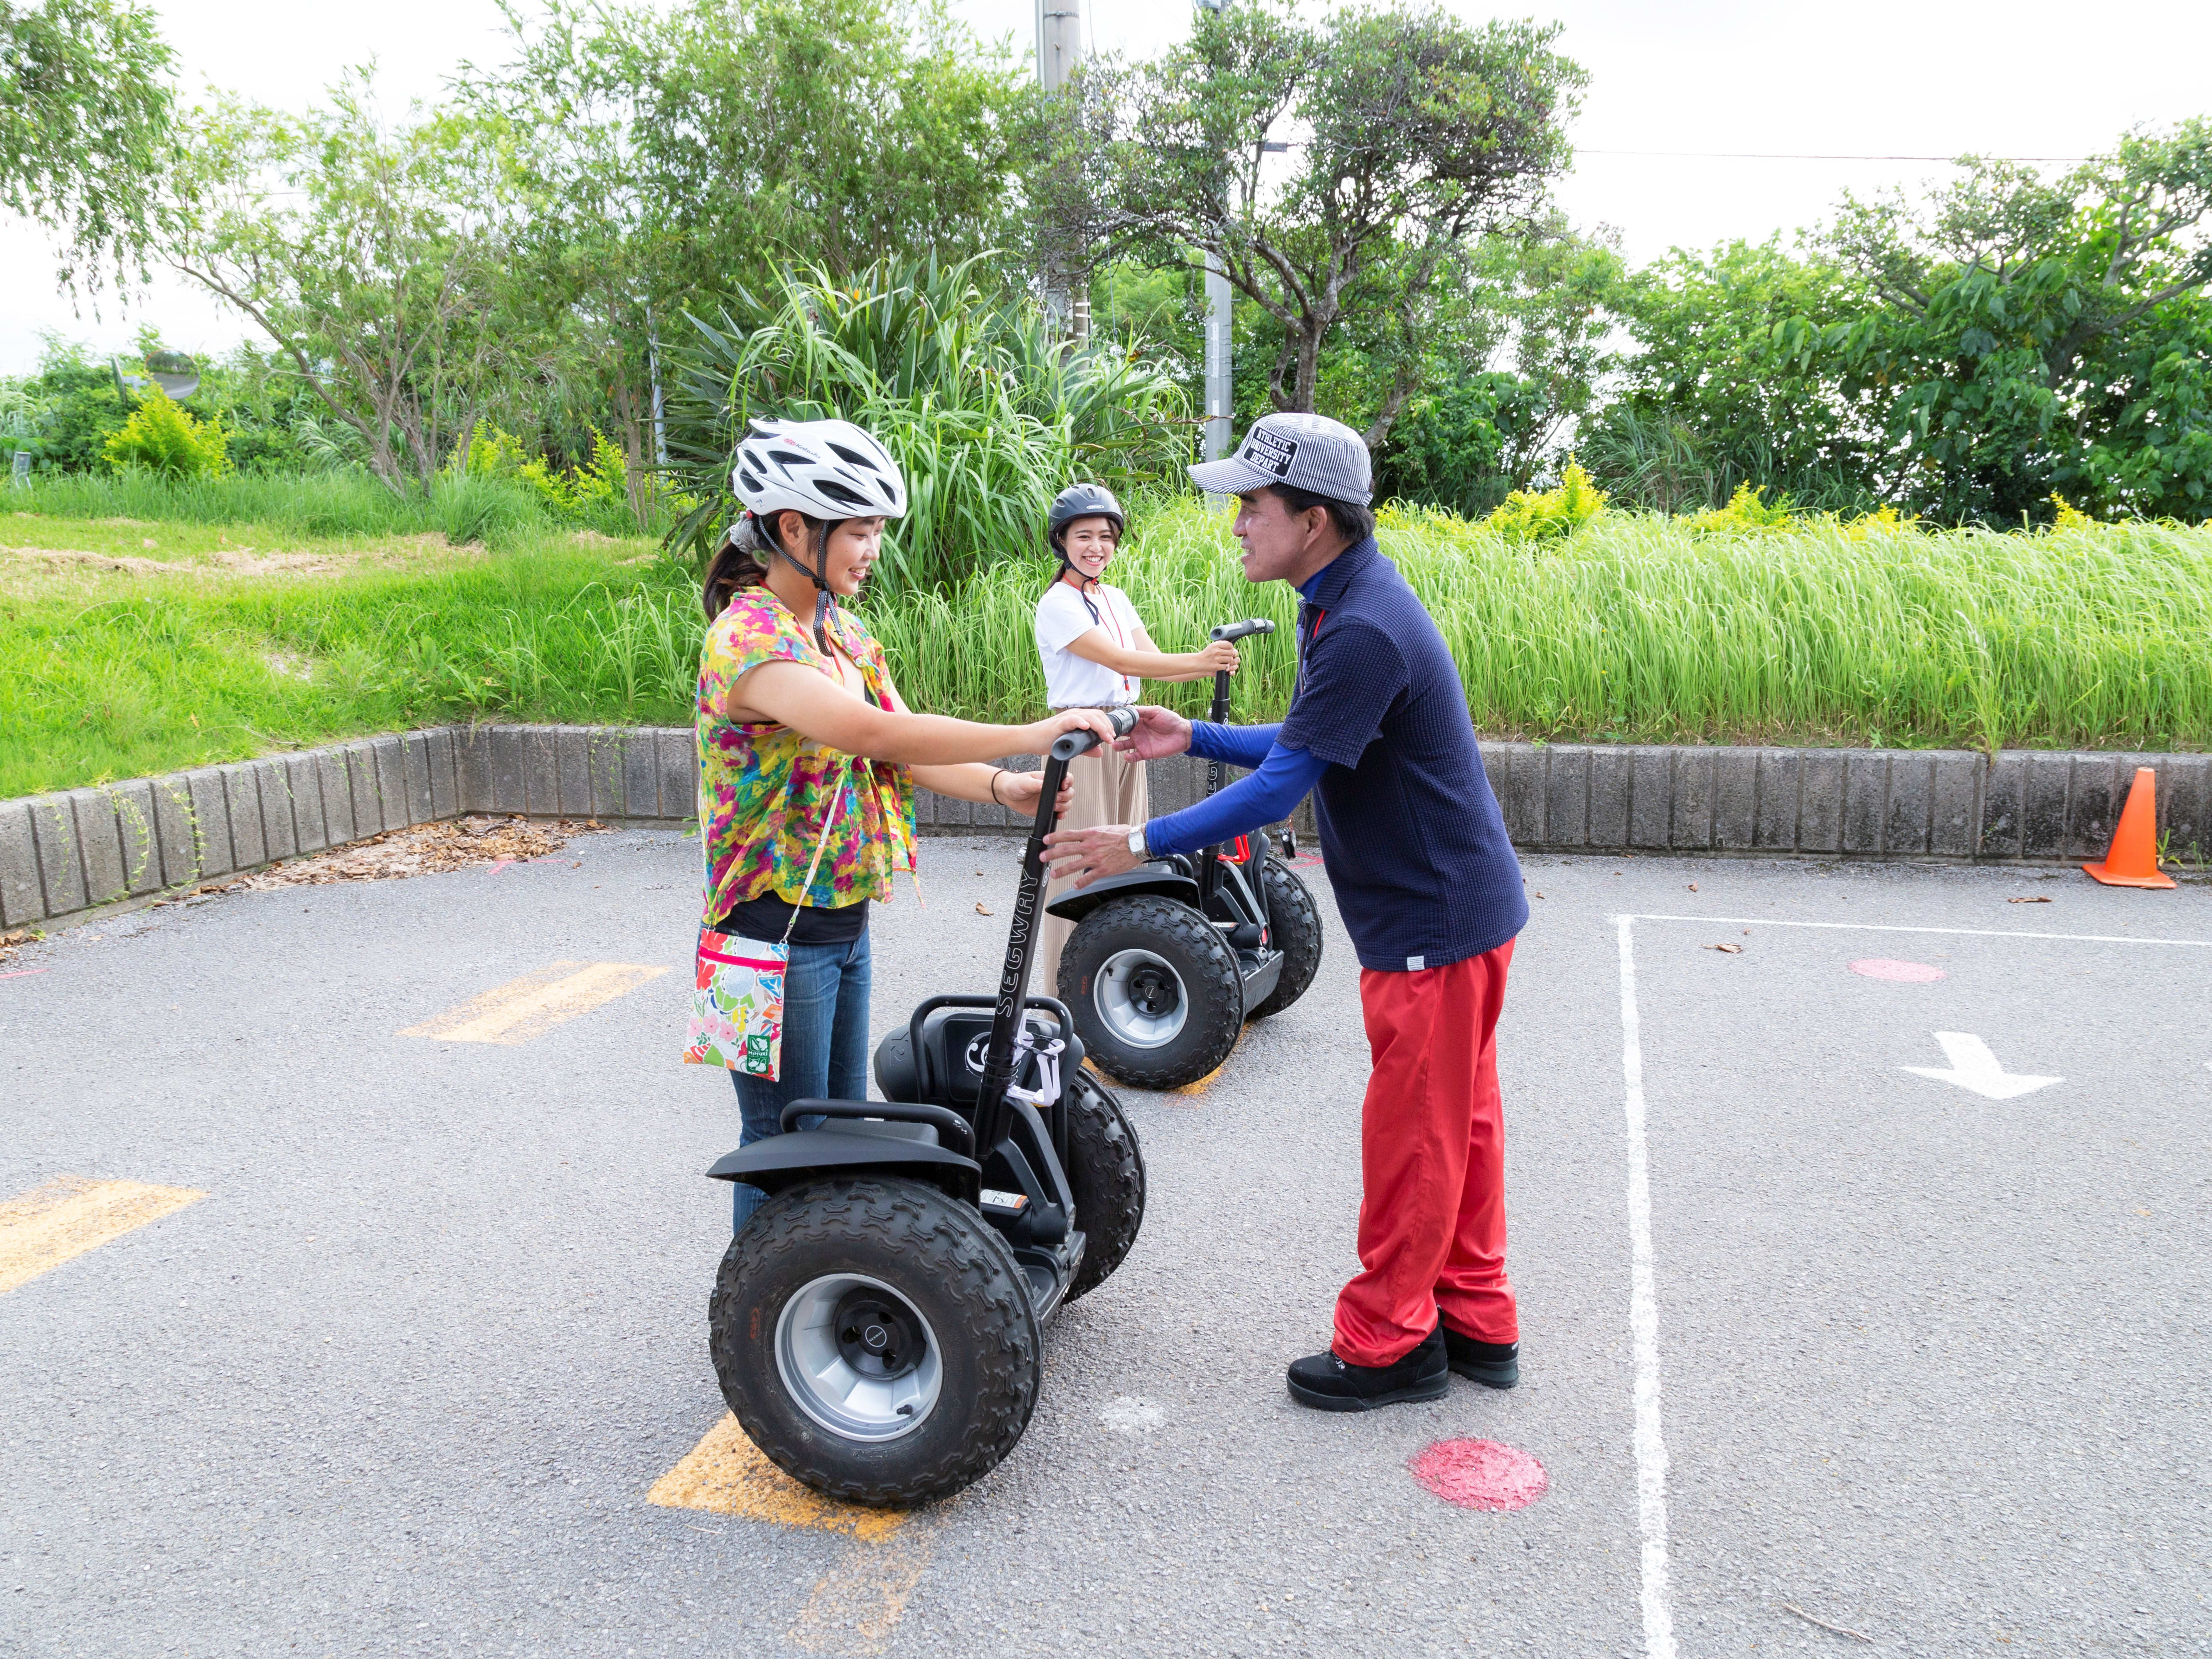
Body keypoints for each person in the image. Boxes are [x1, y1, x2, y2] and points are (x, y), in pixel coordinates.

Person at [1042, 412, 1530, 1411]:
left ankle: (1392, 1342)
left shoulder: (1356, 625)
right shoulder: (1344, 599)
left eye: (1251, 506)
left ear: (1313, 518)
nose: (1235, 526)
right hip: (1457, 909)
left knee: (1417, 1137)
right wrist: (1196, 738)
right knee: (1460, 1125)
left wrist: (1131, 846)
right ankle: (1476, 1317)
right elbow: (1312, 739)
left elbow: (1282, 791)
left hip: (1432, 925)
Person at [698, 418, 1109, 1232]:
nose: (873, 549)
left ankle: (819, 1274)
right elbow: (872, 734)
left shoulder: (839, 630)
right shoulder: (749, 639)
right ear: (793, 529)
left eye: (877, 530)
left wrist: (1002, 786)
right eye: (859, 530)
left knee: (834, 1127)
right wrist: (1033, 729)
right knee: (784, 1135)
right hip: (768, 933)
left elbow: (900, 747)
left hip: (840, 921)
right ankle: (763, 1305)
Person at [1030, 481, 1241, 997]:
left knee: (1126, 859)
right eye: (1084, 536)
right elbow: (1120, 661)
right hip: (1080, 739)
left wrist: (1207, 663)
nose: (1096, 546)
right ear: (1062, 541)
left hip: (1126, 732)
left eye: (1106, 536)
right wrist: (1201, 660)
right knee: (1075, 869)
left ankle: (1109, 987)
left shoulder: (1116, 598)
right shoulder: (1057, 604)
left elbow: (1153, 662)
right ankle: (1067, 998)